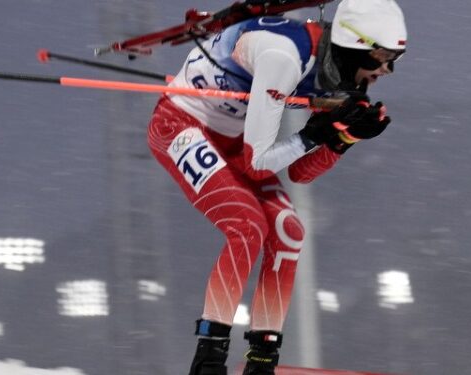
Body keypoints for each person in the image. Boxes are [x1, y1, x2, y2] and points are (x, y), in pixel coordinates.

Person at [145, 0, 407, 374]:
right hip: (181, 127)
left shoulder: (341, 76)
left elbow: (301, 171)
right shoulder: (283, 57)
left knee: (289, 232)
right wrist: (317, 132)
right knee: (246, 225)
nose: (388, 69)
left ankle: (262, 359)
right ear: (355, 44)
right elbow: (258, 163)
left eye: (396, 58)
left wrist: (344, 137)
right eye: (382, 56)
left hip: (234, 143)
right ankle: (209, 358)